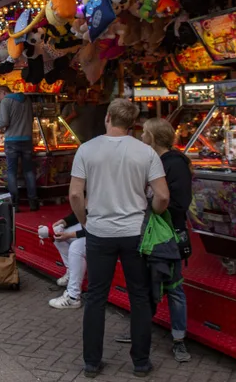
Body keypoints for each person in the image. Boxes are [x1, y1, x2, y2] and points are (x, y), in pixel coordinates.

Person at [69, 98, 169, 378]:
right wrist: (153, 215)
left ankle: (91, 362)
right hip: (135, 231)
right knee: (139, 295)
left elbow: (76, 194)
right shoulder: (146, 152)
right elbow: (162, 196)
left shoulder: (87, 150)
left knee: (97, 296)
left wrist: (85, 222)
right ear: (132, 123)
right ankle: (140, 362)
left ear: (108, 118)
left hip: (100, 231)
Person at [113, 118, 191, 362]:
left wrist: (151, 206)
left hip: (168, 233)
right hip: (149, 231)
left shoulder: (174, 164)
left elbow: (177, 203)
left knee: (174, 288)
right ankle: (140, 329)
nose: (141, 136)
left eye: (145, 132)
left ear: (154, 137)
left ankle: (179, 339)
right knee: (146, 284)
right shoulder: (152, 160)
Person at [0, 86, 38, 211]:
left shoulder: (5, 101)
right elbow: (32, 118)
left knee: (11, 172)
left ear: (3, 92)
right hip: (27, 139)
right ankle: (33, 202)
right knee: (29, 171)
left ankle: (15, 204)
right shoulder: (27, 100)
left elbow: (4, 122)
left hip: (12, 141)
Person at [48, 212, 87, 309]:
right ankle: (71, 271)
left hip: (106, 233)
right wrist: (64, 221)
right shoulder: (91, 199)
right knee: (56, 230)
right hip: (92, 228)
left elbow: (98, 227)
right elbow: (83, 212)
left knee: (76, 248)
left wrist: (70, 235)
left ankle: (73, 297)